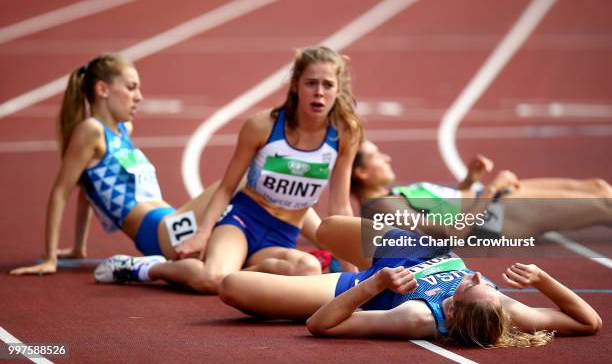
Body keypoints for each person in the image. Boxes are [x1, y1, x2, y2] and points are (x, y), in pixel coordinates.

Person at [94, 46, 363, 293]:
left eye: (328, 85)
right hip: (243, 221)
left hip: (283, 235)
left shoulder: (343, 134)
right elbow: (226, 187)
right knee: (213, 280)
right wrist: (202, 234)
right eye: (311, 83)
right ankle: (145, 268)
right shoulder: (263, 126)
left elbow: (340, 207)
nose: (319, 92)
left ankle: (237, 269)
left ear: (337, 90)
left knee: (308, 269)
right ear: (295, 86)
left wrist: (354, 277)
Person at [218, 216, 602, 347]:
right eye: (486, 283)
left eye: (471, 283)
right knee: (329, 228)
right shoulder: (506, 310)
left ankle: (261, 248)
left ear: (452, 307)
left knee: (232, 286)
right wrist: (545, 280)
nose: (477, 273)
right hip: (416, 247)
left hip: (369, 283)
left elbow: (320, 324)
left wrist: (373, 286)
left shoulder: (417, 317)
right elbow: (589, 322)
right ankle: (309, 256)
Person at [9, 54, 226, 277]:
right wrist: (49, 258)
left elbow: (87, 190)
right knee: (237, 180)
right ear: (102, 89)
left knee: (233, 261)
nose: (139, 97)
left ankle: (148, 268)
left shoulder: (124, 130)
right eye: (131, 88)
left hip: (174, 222)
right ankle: (141, 267)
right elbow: (61, 192)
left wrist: (78, 247)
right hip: (159, 231)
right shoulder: (91, 131)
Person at [351, 140, 612, 239]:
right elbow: (450, 232)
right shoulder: (382, 208)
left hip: (493, 199)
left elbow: (449, 208)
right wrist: (491, 190)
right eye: (377, 156)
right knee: (604, 206)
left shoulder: (389, 196)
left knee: (598, 187)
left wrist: (469, 179)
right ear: (361, 173)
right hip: (501, 217)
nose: (387, 158)